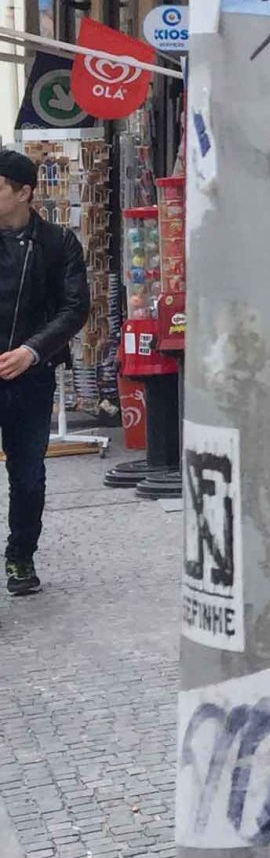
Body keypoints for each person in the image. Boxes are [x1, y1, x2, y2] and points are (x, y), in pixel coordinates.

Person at [0, 146, 91, 596]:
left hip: (29, 377)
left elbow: (75, 308)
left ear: (24, 192)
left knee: (28, 476)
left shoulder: (58, 243)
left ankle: (20, 556)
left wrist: (32, 351)